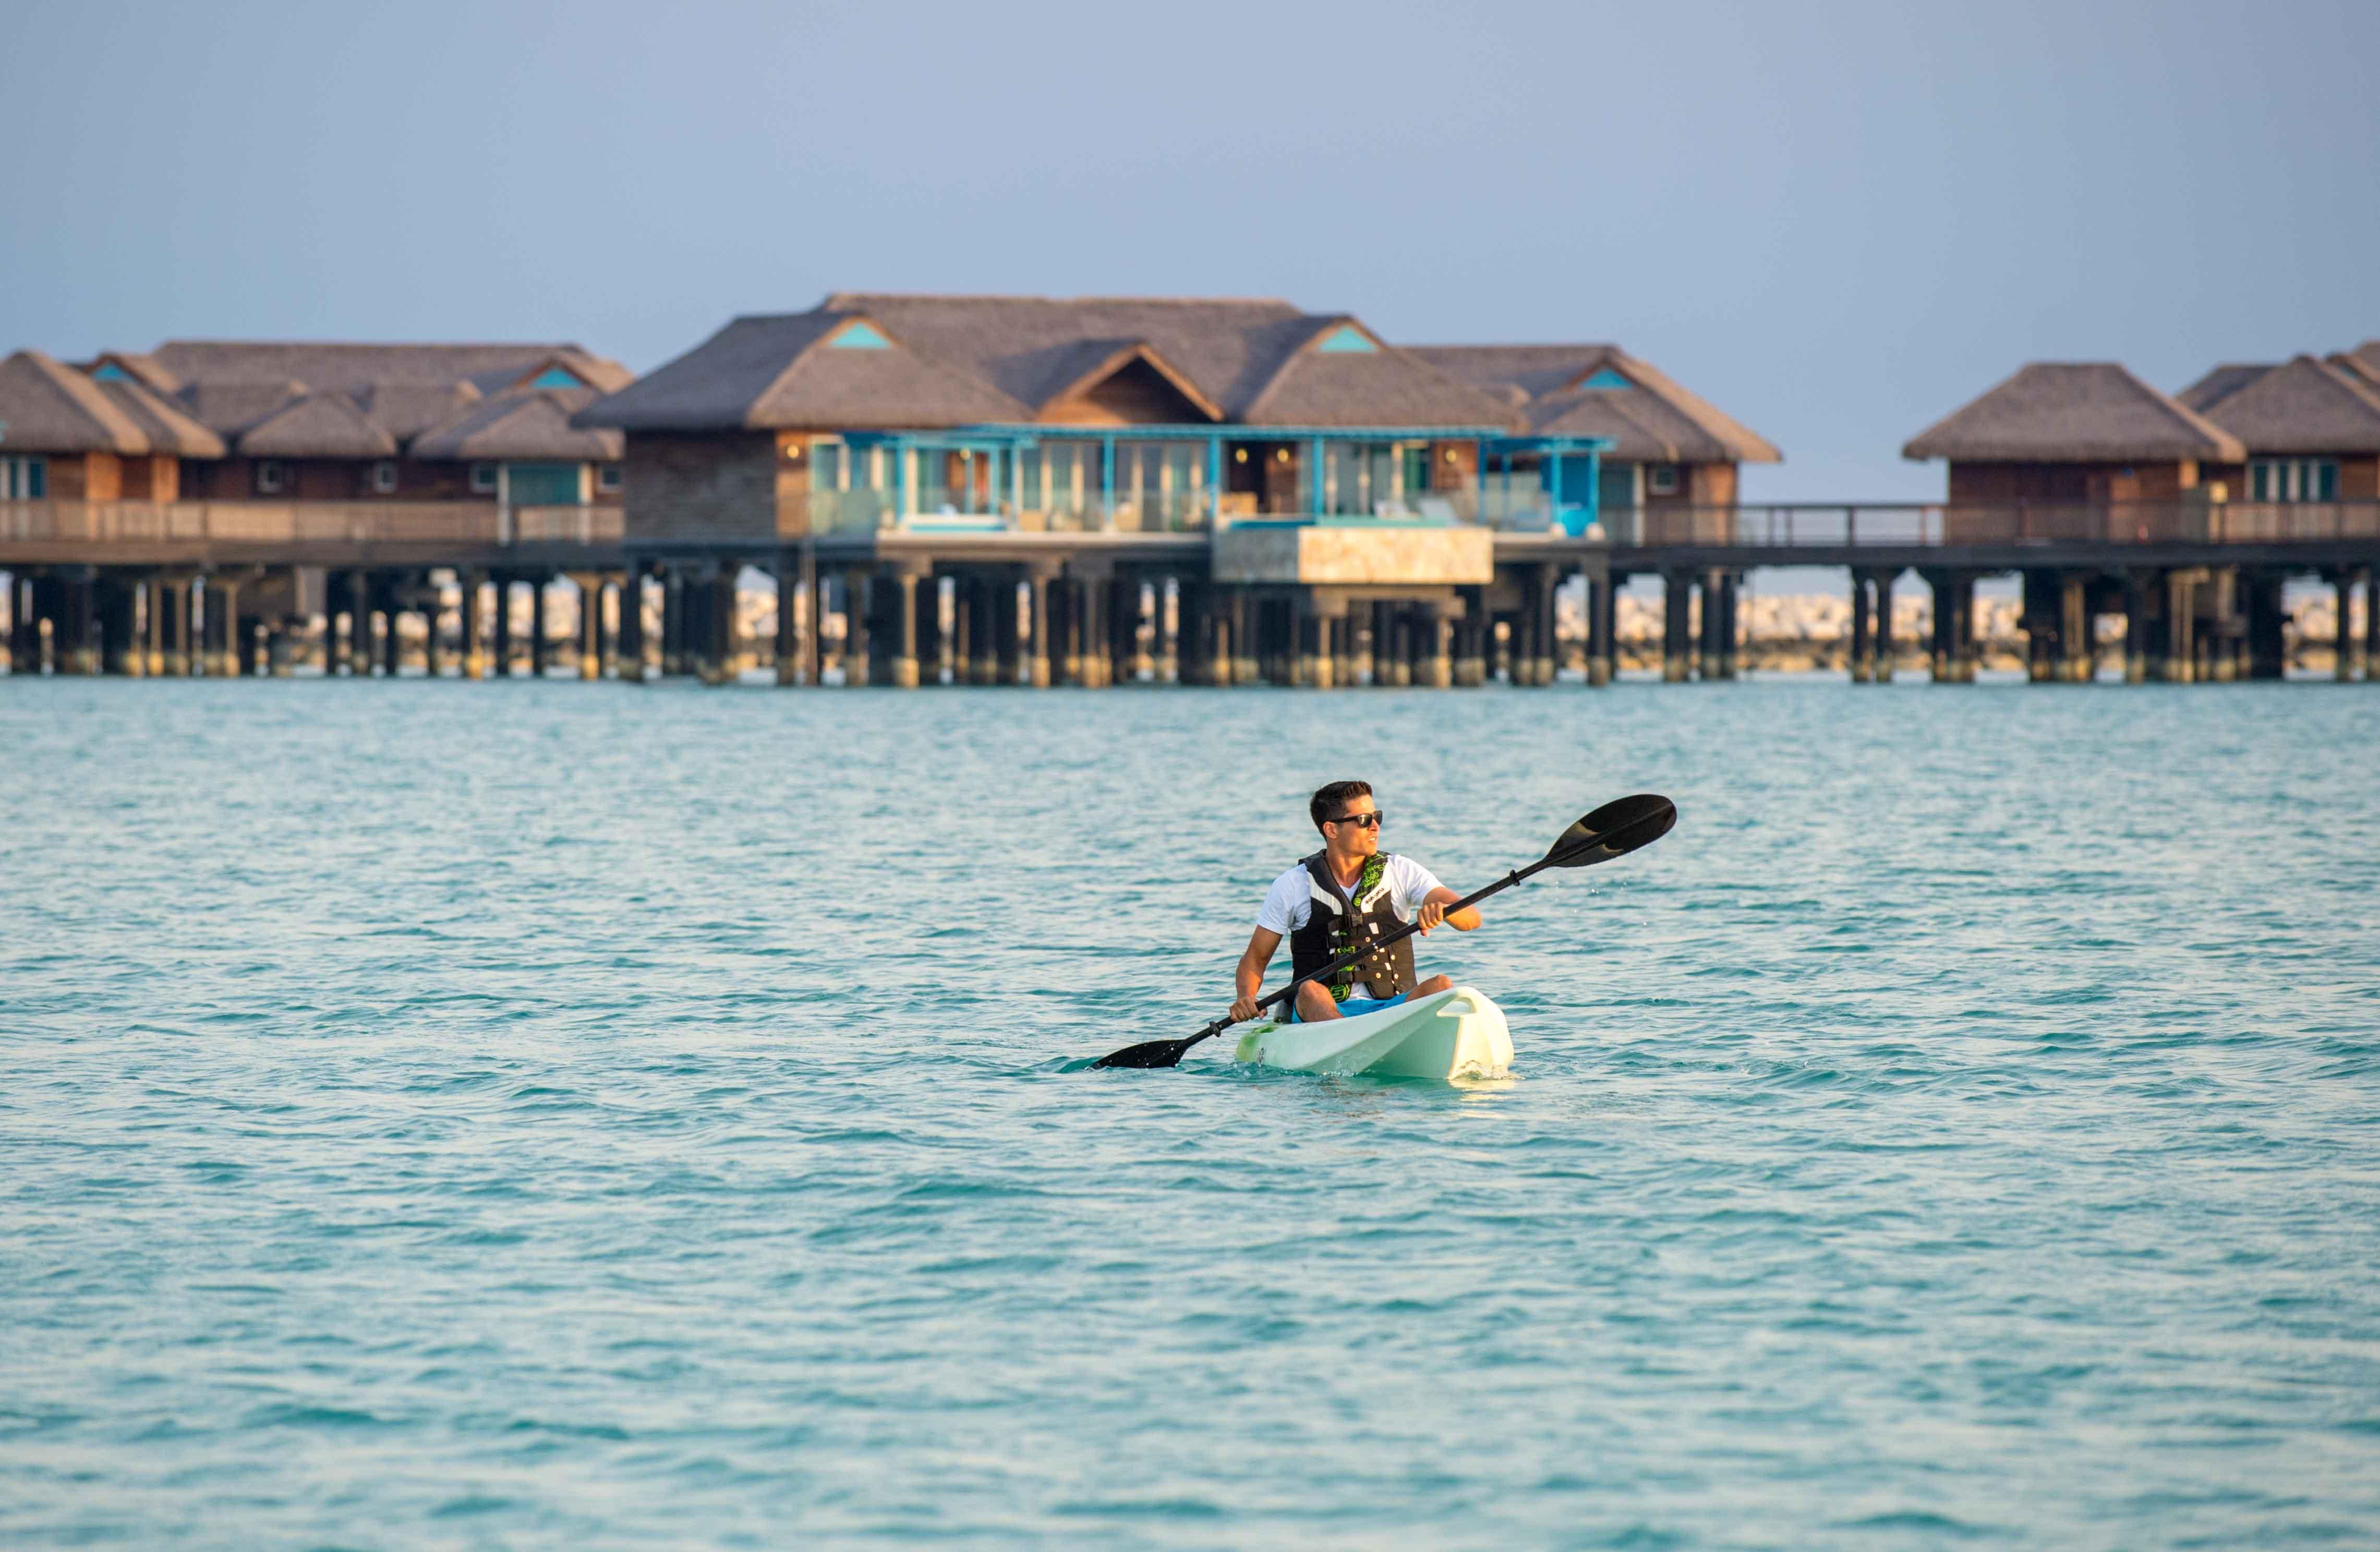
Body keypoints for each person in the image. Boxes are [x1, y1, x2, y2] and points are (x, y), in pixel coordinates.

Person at [1229, 780, 1481, 1025]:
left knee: (1441, 986)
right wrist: (1246, 998)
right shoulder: (1292, 885)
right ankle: (1346, 1039)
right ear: (1331, 830)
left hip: (1394, 1008)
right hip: (1323, 1011)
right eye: (1364, 820)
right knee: (1310, 991)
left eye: (1377, 817)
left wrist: (1445, 912)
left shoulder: (1401, 871)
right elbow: (1255, 960)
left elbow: (1472, 918)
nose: (1375, 827)